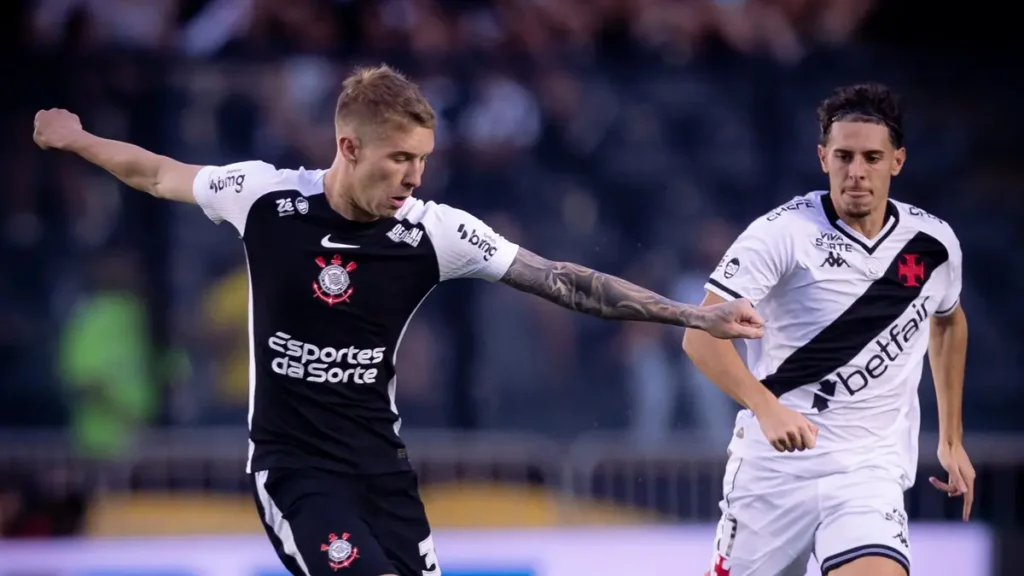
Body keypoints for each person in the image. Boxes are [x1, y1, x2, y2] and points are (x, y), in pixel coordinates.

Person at [33, 65, 764, 576]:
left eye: (424, 159)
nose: (415, 177)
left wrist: (689, 316)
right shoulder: (265, 198)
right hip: (296, 473)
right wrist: (77, 139)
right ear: (348, 147)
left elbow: (562, 281)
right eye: (399, 159)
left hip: (382, 473)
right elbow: (157, 173)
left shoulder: (431, 231)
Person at [683, 83, 974, 576]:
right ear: (823, 157)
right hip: (773, 474)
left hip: (868, 472)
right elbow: (699, 334)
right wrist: (765, 407)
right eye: (843, 156)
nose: (856, 172)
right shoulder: (781, 233)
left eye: (872, 157)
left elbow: (947, 321)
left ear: (897, 162)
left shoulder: (933, 244)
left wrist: (951, 437)